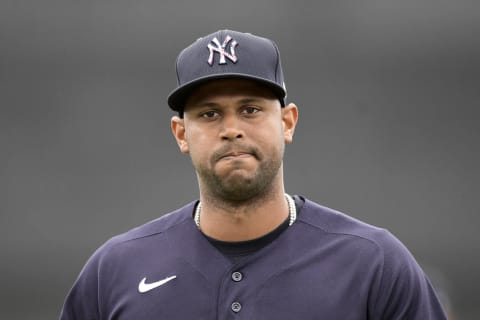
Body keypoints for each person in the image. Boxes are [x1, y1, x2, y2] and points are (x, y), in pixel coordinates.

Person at [60, 29, 447, 319]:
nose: (231, 128)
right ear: (181, 134)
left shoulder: (373, 265)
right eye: (209, 113)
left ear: (287, 122)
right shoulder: (115, 270)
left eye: (250, 109)